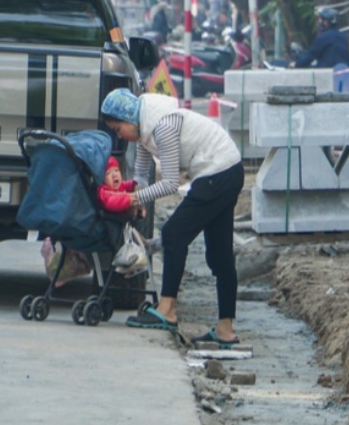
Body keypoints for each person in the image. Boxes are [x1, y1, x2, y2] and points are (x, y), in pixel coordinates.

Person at [100, 88, 243, 345]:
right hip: (227, 170)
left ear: (130, 119)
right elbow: (143, 177)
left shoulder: (163, 126)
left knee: (174, 234)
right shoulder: (144, 131)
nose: (118, 135)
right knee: (219, 254)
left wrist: (133, 199)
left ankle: (167, 310)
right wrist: (137, 197)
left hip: (218, 171)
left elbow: (169, 184)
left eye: (117, 128)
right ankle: (225, 330)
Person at [294, 7, 349, 92]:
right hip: (345, 79)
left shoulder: (322, 38)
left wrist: (296, 65)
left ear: (326, 22)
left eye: (320, 20)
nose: (318, 22)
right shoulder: (345, 37)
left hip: (326, 79)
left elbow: (310, 56)